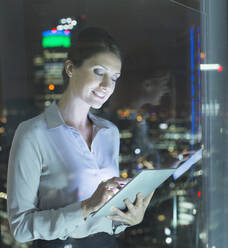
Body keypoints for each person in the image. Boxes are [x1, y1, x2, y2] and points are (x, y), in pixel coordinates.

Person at [7, 27, 154, 248]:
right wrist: (86, 207)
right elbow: (20, 228)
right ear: (70, 68)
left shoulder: (110, 133)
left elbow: (106, 215)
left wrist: (128, 219)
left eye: (114, 78)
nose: (107, 86)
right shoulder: (32, 134)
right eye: (98, 72)